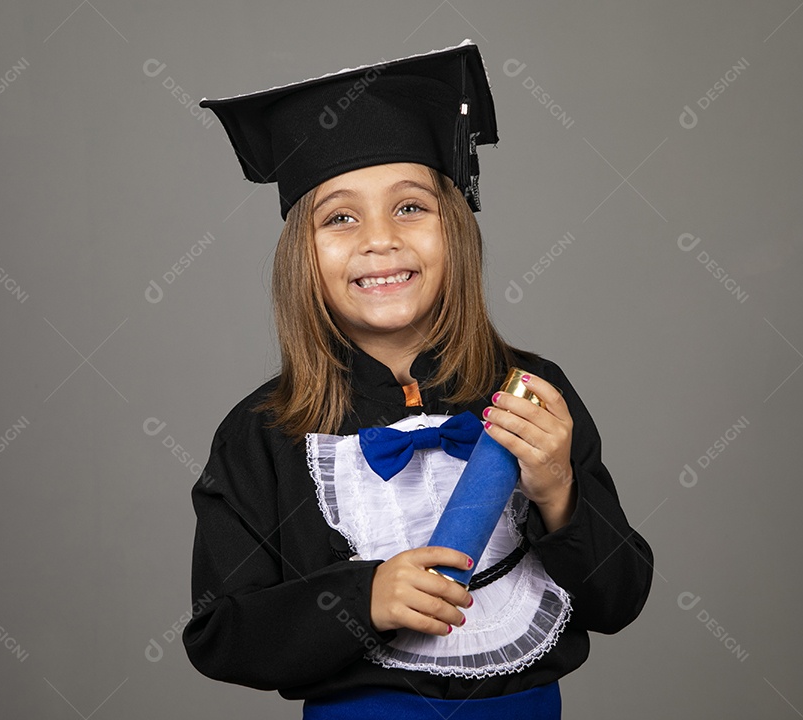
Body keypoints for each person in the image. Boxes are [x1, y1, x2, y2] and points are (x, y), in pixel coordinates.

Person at [182, 40, 654, 719]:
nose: (379, 239)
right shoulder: (262, 433)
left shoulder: (531, 393)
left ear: (454, 230)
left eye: (410, 207)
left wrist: (558, 491)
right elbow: (222, 635)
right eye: (340, 217)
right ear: (301, 256)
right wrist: (361, 600)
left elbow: (619, 599)